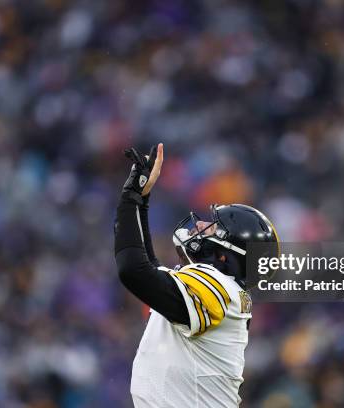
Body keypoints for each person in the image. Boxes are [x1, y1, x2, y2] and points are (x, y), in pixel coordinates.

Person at [114, 143, 279, 407]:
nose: (201, 225)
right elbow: (151, 271)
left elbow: (134, 271)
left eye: (214, 227)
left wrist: (130, 198)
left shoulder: (220, 288)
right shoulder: (227, 290)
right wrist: (140, 201)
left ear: (226, 254)